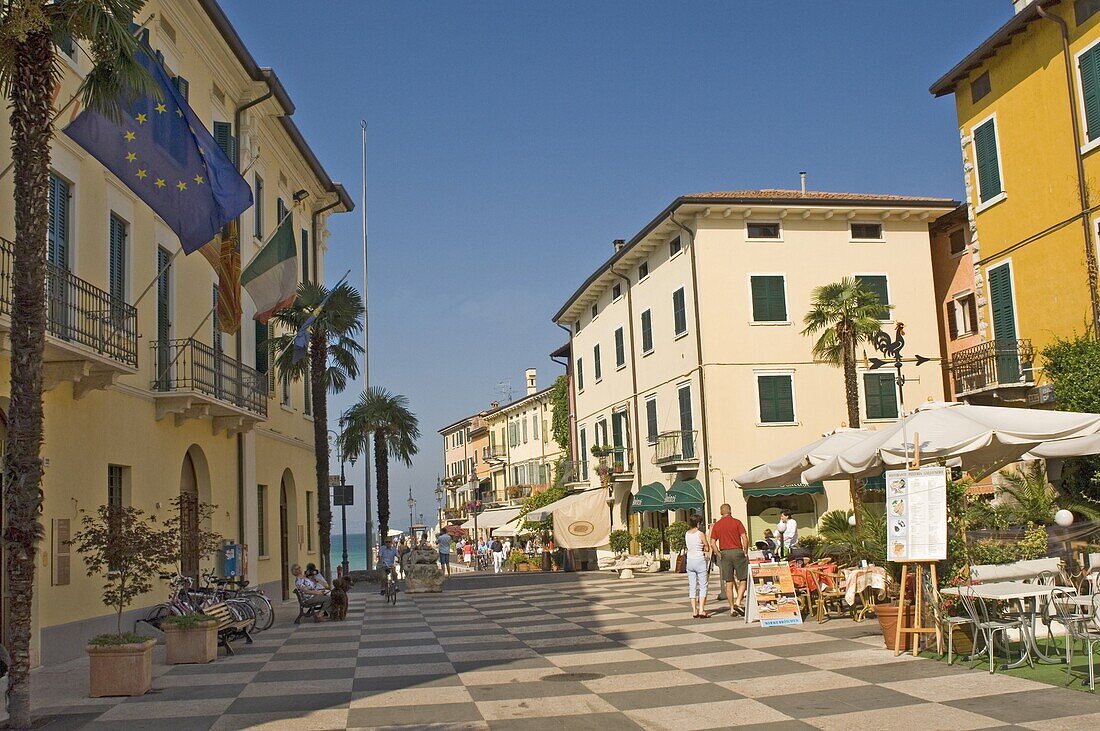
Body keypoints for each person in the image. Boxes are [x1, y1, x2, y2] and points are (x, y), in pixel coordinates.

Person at [709, 504, 749, 617]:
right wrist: (745, 551)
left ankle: (732, 608)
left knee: (729, 582)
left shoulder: (717, 525)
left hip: (725, 553)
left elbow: (712, 543)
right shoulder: (737, 522)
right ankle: (739, 600)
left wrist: (718, 553)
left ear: (721, 512)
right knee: (743, 578)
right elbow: (745, 538)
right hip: (737, 552)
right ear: (730, 511)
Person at [684, 516, 713, 618]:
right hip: (699, 560)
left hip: (690, 561)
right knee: (703, 585)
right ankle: (701, 609)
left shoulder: (687, 534)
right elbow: (706, 546)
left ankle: (694, 611)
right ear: (698, 524)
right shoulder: (700, 534)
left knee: (692, 586)